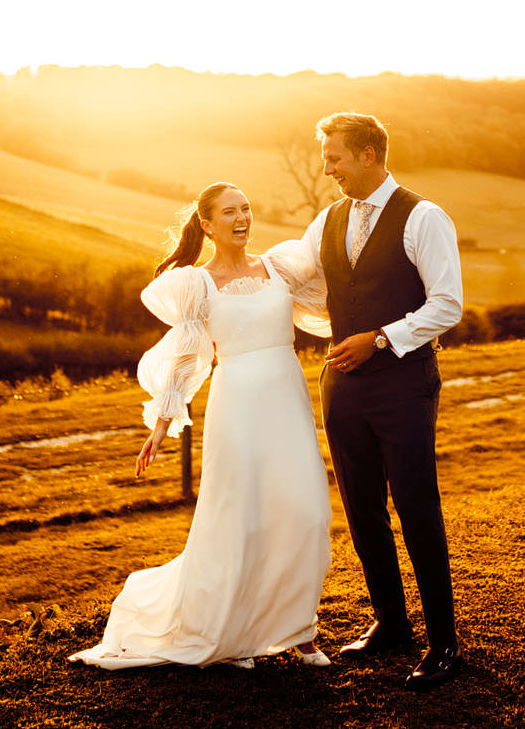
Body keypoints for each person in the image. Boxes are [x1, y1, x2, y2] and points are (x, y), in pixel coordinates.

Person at [70, 182, 335, 671]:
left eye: (247, 208)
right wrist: (161, 422)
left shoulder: (281, 266)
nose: (242, 217)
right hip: (237, 407)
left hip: (287, 399)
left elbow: (332, 283)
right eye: (230, 211)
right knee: (241, 520)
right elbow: (186, 357)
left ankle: (299, 629)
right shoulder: (196, 284)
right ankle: (237, 632)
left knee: (306, 512)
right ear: (208, 224)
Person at [303, 111, 464, 690]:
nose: (328, 169)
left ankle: (444, 642)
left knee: (417, 505)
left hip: (403, 385)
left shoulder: (424, 217)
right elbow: (296, 281)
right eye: (326, 158)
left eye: (335, 158)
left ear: (369, 154)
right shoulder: (327, 218)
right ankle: (391, 624)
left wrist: (378, 340)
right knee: (361, 508)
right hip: (341, 386)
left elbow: (447, 304)